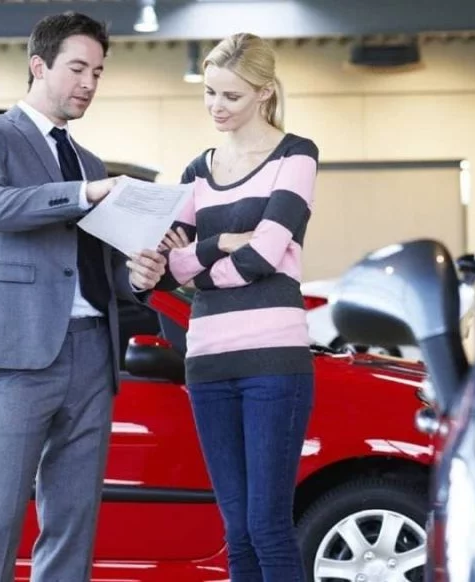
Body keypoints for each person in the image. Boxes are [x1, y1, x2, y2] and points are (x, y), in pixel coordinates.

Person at [0, 11, 168, 582]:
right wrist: (84, 191)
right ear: (38, 66)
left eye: (97, 72)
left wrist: (139, 275)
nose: (89, 84)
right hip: (21, 355)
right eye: (77, 68)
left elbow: (100, 269)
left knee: (73, 521)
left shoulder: (90, 161)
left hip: (94, 354)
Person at [162, 32, 319, 582]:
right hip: (207, 362)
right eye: (209, 93)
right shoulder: (196, 172)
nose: (216, 107)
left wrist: (200, 263)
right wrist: (224, 245)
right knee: (235, 532)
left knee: (268, 527)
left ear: (264, 93)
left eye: (230, 96)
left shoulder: (295, 155)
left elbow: (266, 255)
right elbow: (169, 266)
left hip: (273, 361)